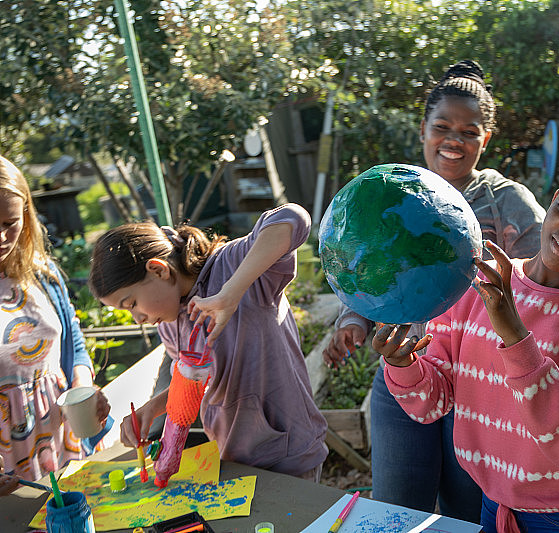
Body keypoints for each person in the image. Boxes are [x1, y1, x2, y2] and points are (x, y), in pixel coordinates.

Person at [375, 148, 559, 532]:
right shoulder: (478, 287)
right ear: (552, 200)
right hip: (496, 506)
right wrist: (403, 365)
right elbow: (432, 404)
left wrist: (514, 334)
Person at [322, 59, 547, 521]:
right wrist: (351, 320)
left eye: (469, 131)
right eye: (442, 126)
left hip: (479, 388)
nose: (454, 140)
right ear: (423, 129)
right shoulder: (389, 194)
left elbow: (539, 288)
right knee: (396, 512)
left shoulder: (508, 203)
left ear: (486, 139)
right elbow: (366, 270)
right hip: (403, 374)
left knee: (466, 515)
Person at [88, 204, 328, 480]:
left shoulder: (232, 265)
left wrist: (231, 292)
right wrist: (154, 407)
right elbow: (199, 380)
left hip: (289, 455)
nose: (137, 318)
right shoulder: (168, 321)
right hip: (232, 457)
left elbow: (293, 218)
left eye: (131, 304)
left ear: (158, 270)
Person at [0, 155, 109, 494]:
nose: (1, 236)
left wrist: (84, 384)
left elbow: (74, 343)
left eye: (10, 223)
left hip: (64, 436)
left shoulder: (42, 274)